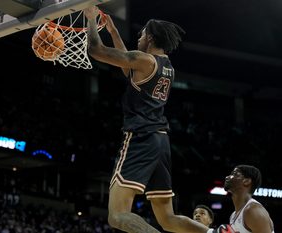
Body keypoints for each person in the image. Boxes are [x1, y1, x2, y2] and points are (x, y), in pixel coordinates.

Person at [84, 6, 229, 233]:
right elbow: (126, 65)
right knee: (168, 219)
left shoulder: (145, 60)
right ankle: (214, 232)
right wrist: (113, 32)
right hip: (160, 142)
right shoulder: (167, 66)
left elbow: (95, 49)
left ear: (150, 37)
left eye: (141, 34)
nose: (139, 38)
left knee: (117, 216)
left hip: (140, 136)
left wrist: (91, 20)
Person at [224, 164, 275, 233]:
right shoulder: (233, 215)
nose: (227, 177)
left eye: (234, 174)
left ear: (246, 181)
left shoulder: (253, 210)